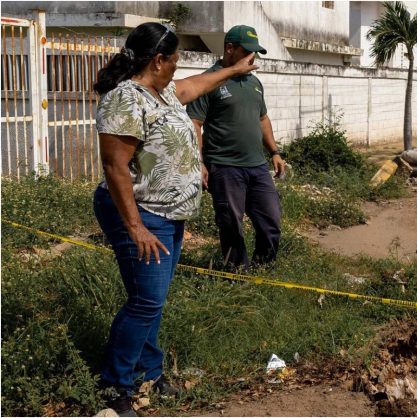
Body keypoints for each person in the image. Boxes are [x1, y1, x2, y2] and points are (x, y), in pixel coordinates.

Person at [92, 22, 257, 417]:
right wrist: (136, 227)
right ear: (158, 60)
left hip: (168, 215)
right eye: (175, 60)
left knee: (152, 301)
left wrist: (233, 71)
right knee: (146, 301)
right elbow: (115, 168)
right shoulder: (125, 100)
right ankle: (114, 385)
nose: (178, 68)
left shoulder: (161, 93)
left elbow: (196, 85)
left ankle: (150, 372)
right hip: (142, 214)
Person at [187, 25, 286, 271]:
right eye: (247, 52)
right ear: (230, 49)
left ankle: (263, 267)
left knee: (271, 220)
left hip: (257, 166)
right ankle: (237, 274)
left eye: (255, 53)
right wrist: (198, 161)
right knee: (231, 223)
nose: (252, 58)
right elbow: (195, 123)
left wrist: (274, 151)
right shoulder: (209, 81)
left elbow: (262, 118)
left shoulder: (254, 83)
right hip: (225, 167)